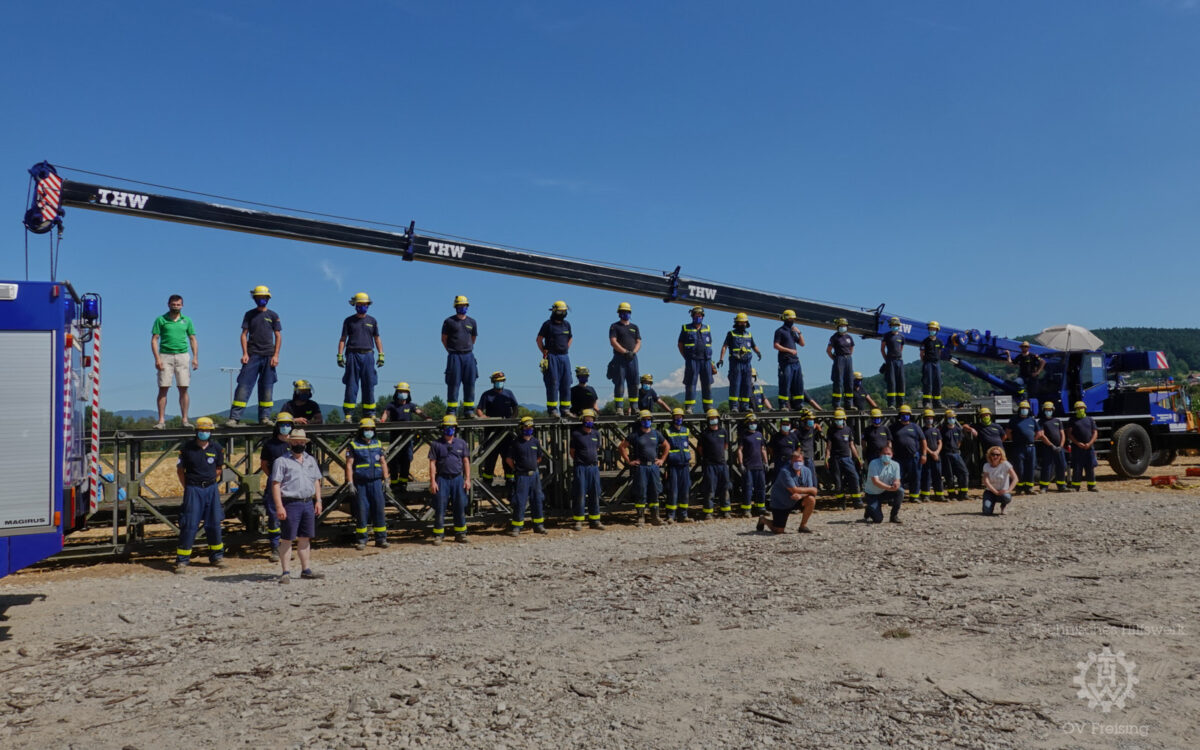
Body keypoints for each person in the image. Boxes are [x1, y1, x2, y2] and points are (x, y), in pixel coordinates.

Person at [270, 428, 325, 582]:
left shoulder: (310, 460)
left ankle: (306, 569)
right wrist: (279, 506)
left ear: (305, 443)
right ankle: (285, 572)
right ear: (290, 443)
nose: (298, 444)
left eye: (301, 442)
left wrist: (318, 500)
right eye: (295, 442)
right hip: (290, 503)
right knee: (287, 538)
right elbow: (275, 484)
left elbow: (316, 480)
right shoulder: (281, 461)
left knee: (305, 538)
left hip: (307, 502)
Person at [174, 417, 227, 573]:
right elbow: (180, 470)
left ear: (211, 432)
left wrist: (209, 482)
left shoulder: (216, 448)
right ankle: (182, 560)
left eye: (208, 430)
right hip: (193, 489)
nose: (205, 433)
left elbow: (219, 469)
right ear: (196, 431)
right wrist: (189, 487)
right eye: (202, 430)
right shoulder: (187, 448)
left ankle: (217, 557)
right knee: (189, 524)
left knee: (214, 523)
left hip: (211, 489)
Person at [226, 285, 282, 427]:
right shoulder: (249, 314)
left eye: (264, 297)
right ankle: (234, 418)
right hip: (252, 356)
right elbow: (244, 335)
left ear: (268, 298)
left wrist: (276, 355)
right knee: (243, 386)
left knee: (267, 387)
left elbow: (278, 335)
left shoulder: (273, 315)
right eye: (258, 297)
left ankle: (265, 417)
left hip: (269, 356)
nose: (261, 300)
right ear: (254, 298)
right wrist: (244, 353)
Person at [151, 294, 198, 429]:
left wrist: (195, 357)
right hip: (165, 355)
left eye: (178, 304)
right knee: (163, 387)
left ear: (182, 305)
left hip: (182, 355)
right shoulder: (161, 320)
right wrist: (157, 358)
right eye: (173, 304)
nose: (176, 307)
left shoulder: (187, 320)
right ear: (168, 304)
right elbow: (154, 339)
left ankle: (184, 420)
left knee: (183, 388)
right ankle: (161, 421)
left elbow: (193, 338)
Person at [337, 292, 384, 420]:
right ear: (355, 305)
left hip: (368, 354)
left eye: (364, 304)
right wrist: (340, 355)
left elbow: (377, 338)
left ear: (368, 305)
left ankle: (370, 414)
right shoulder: (349, 321)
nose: (362, 306)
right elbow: (343, 339)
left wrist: (381, 354)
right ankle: (348, 414)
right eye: (360, 304)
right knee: (351, 385)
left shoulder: (372, 321)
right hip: (352, 354)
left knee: (369, 384)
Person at [618, 410, 668, 526]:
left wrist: (662, 460)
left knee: (655, 491)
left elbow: (666, 446)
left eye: (649, 419)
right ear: (640, 421)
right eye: (644, 419)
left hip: (654, 467)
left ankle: (655, 517)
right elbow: (621, 447)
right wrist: (629, 461)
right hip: (641, 467)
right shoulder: (635, 435)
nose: (647, 421)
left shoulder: (656, 434)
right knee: (641, 492)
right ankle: (641, 517)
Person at [346, 418, 389, 550]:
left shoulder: (377, 444)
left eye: (371, 429)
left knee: (379, 510)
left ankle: (381, 539)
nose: (368, 432)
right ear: (361, 431)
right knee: (362, 511)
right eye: (366, 429)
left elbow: (383, 462)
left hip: (376, 482)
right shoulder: (354, 445)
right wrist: (350, 483)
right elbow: (349, 465)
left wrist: (386, 479)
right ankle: (362, 540)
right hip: (361, 483)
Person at [428, 414, 472, 544]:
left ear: (455, 428)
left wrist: (467, 479)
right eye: (447, 427)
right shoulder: (436, 444)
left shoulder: (461, 443)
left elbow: (466, 461)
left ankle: (460, 533)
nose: (450, 429)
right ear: (443, 428)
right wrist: (432, 481)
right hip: (442, 479)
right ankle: (438, 534)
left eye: (452, 427)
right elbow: (432, 463)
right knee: (440, 507)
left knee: (459, 506)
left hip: (458, 479)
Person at [258, 411, 294, 561]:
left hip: (291, 482)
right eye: (282, 425)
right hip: (275, 482)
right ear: (277, 427)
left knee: (291, 515)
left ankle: (287, 547)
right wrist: (274, 479)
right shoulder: (270, 444)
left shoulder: (295, 443)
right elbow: (264, 464)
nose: (285, 427)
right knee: (274, 516)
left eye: (288, 425)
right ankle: (275, 547)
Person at [474, 371, 520, 485]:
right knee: (490, 458)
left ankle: (510, 480)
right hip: (491, 433)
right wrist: (484, 418)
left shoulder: (508, 393)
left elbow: (515, 407)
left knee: (507, 457)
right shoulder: (487, 394)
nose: (500, 383)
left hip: (506, 432)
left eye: (501, 381)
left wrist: (512, 418)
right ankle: (487, 481)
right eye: (497, 381)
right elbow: (479, 409)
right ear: (493, 382)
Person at [758, 447, 818, 534]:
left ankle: (802, 526)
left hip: (797, 499)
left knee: (811, 499)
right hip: (781, 503)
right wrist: (809, 490)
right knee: (778, 530)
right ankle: (763, 520)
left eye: (800, 461)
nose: (798, 463)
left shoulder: (807, 471)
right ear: (791, 461)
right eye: (795, 461)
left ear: (803, 461)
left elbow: (813, 492)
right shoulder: (785, 472)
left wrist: (801, 495)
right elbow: (794, 490)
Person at [380, 381, 426, 491]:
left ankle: (403, 482)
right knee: (394, 460)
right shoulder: (391, 405)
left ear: (408, 394)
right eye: (401, 392)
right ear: (397, 393)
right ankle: (394, 482)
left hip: (407, 439)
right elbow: (386, 414)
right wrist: (382, 421)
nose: (403, 394)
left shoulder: (411, 405)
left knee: (406, 459)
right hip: (395, 438)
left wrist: (427, 418)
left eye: (405, 392)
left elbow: (419, 412)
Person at [506, 416, 546, 536]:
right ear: (521, 428)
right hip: (522, 476)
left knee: (537, 500)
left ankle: (538, 525)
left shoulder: (535, 442)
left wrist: (532, 466)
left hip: (534, 475)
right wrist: (517, 469)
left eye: (530, 427)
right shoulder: (516, 443)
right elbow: (508, 459)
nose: (528, 429)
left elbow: (539, 457)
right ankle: (517, 527)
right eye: (526, 427)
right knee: (520, 502)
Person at [442, 294, 479, 419]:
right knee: (453, 383)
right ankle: (452, 410)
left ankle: (469, 410)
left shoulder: (472, 322)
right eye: (459, 306)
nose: (462, 307)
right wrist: (452, 350)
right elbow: (444, 339)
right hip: (454, 355)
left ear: (467, 307)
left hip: (468, 355)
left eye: (464, 305)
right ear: (455, 307)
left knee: (470, 383)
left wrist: (466, 349)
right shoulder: (449, 321)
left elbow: (473, 338)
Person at [569, 409, 605, 530]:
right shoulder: (576, 434)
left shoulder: (596, 434)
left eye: (591, 418)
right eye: (587, 418)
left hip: (593, 468)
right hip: (581, 468)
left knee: (595, 493)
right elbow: (572, 452)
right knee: (580, 494)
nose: (589, 420)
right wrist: (581, 461)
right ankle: (578, 520)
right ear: (582, 420)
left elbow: (597, 449)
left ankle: (595, 520)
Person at [718, 313, 761, 412]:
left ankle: (745, 406)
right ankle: (734, 406)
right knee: (735, 385)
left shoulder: (749, 335)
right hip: (736, 364)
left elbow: (754, 346)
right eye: (740, 322)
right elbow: (724, 346)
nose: (742, 324)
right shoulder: (731, 334)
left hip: (747, 364)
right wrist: (721, 359)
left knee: (747, 385)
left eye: (744, 322)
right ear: (736, 323)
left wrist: (758, 352)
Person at [537, 300, 573, 417]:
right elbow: (539, 339)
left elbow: (570, 338)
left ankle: (565, 409)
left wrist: (566, 348)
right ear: (554, 311)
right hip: (552, 357)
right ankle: (552, 410)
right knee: (553, 383)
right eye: (560, 311)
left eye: (564, 311)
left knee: (566, 382)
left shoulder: (567, 324)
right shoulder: (548, 324)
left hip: (564, 357)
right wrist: (544, 351)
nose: (562, 313)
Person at [677, 305, 715, 414]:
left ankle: (708, 407)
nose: (698, 317)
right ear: (692, 316)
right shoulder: (685, 328)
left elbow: (709, 344)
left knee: (707, 383)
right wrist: (686, 357)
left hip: (706, 360)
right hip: (692, 360)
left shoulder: (707, 328)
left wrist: (711, 362)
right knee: (690, 384)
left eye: (700, 315)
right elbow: (680, 344)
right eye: (696, 315)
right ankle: (689, 407)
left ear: (703, 317)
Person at [607, 302, 641, 415]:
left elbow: (639, 342)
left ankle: (635, 407)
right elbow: (613, 341)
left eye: (626, 312)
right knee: (619, 383)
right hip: (620, 358)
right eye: (622, 312)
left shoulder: (634, 327)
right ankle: (619, 408)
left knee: (634, 384)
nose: (624, 314)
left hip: (632, 359)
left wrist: (633, 352)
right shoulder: (615, 326)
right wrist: (625, 352)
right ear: (619, 314)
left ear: (630, 313)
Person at [698, 408, 731, 518]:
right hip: (710, 465)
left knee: (725, 487)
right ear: (708, 420)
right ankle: (708, 511)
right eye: (711, 418)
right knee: (710, 488)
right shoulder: (704, 434)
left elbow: (725, 446)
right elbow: (700, 449)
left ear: (718, 419)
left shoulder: (723, 432)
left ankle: (725, 510)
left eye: (714, 418)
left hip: (722, 464)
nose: (713, 420)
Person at [825, 409, 862, 508]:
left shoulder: (848, 430)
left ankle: (857, 501)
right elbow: (828, 446)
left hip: (847, 458)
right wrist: (826, 458)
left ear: (844, 419)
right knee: (838, 482)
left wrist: (858, 458)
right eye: (837, 419)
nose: (838, 421)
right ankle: (841, 502)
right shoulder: (831, 430)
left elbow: (852, 445)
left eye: (840, 419)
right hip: (835, 459)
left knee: (854, 477)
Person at [663, 408, 694, 523]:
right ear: (673, 418)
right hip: (673, 466)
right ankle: (671, 516)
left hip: (685, 465)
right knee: (673, 491)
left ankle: (683, 515)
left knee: (685, 490)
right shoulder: (667, 432)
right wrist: (665, 467)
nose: (678, 419)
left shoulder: (686, 431)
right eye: (676, 417)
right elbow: (664, 450)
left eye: (680, 417)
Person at [1006, 400, 1042, 495]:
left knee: (1030, 467)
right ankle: (1019, 487)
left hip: (1031, 447)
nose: (1024, 410)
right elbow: (1008, 432)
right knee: (1019, 468)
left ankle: (1029, 488)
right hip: (1018, 447)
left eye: (1026, 408)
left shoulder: (1032, 420)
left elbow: (1039, 432)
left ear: (1028, 410)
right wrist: (1015, 440)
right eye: (1022, 408)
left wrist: (1033, 439)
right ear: (1019, 409)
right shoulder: (1014, 420)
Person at [736, 413, 769, 518]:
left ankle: (761, 508)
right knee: (748, 488)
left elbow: (763, 449)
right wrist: (740, 464)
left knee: (761, 488)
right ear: (747, 423)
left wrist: (766, 462)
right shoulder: (744, 436)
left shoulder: (759, 435)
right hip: (748, 466)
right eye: (751, 422)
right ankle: (747, 510)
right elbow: (739, 450)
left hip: (759, 466)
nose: (753, 424)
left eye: (754, 422)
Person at [890, 405, 925, 502]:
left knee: (915, 477)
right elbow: (889, 441)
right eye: (903, 414)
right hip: (898, 458)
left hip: (913, 457)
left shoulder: (915, 427)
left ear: (910, 415)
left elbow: (923, 440)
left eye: (907, 414)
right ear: (899, 415)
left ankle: (914, 497)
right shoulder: (893, 427)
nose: (905, 416)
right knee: (897, 478)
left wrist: (924, 454)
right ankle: (898, 497)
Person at [773, 310, 807, 410]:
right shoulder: (780, 331)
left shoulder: (792, 332)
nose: (791, 321)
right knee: (785, 383)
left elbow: (802, 344)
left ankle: (799, 404)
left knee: (798, 384)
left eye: (793, 319)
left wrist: (799, 333)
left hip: (795, 362)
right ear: (785, 319)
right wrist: (789, 350)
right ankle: (783, 404)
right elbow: (776, 345)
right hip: (785, 361)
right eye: (790, 319)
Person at [863, 444, 903, 524]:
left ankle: (894, 516)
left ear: (892, 455)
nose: (886, 456)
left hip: (885, 491)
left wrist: (896, 483)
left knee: (900, 491)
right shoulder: (873, 463)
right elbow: (875, 481)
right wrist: (890, 488)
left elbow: (897, 479)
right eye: (884, 454)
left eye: (888, 454)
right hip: (872, 493)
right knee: (878, 520)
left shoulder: (895, 465)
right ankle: (869, 508)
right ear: (880, 454)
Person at [1067, 401, 1099, 492]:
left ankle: (1091, 486)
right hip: (1077, 448)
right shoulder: (1072, 420)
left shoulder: (1090, 419)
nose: (1080, 410)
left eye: (1081, 408)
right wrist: (1077, 443)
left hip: (1089, 448)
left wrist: (1090, 443)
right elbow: (1069, 433)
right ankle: (1076, 486)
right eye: (1078, 408)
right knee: (1077, 467)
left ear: (1085, 409)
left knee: (1090, 467)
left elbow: (1095, 432)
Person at [1037, 401, 1068, 493]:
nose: (1048, 411)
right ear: (1043, 410)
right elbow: (1042, 435)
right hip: (1048, 448)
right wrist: (1051, 445)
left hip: (1059, 448)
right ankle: (1044, 487)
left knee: (1061, 466)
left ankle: (1061, 486)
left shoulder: (1057, 421)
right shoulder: (1041, 421)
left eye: (1050, 410)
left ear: (1053, 410)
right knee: (1047, 466)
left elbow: (1062, 434)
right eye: (1046, 410)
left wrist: (1061, 446)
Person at [940, 409, 970, 500]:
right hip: (946, 454)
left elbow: (959, 442)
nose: (951, 419)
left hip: (956, 453)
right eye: (950, 418)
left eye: (953, 418)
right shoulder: (942, 430)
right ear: (946, 419)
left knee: (964, 472)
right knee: (949, 475)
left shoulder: (958, 429)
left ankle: (963, 493)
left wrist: (956, 449)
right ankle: (951, 494)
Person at [826, 318, 855, 410]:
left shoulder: (849, 337)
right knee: (838, 381)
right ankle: (837, 404)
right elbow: (828, 351)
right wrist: (835, 359)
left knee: (849, 381)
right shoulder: (834, 337)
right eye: (841, 326)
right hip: (839, 358)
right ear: (838, 327)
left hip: (848, 359)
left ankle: (849, 404)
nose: (843, 327)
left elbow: (851, 348)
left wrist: (849, 356)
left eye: (844, 326)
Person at [981, 446, 1018, 516]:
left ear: (1001, 456)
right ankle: (991, 503)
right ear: (989, 455)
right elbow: (985, 481)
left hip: (1002, 491)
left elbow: (1015, 478)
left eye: (998, 455)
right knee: (986, 512)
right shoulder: (986, 465)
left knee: (1007, 497)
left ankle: (1003, 506)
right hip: (990, 492)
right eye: (993, 454)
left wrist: (1009, 490)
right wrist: (995, 492)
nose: (995, 456)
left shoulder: (1006, 464)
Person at [880, 316, 906, 408]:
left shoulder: (901, 337)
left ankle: (901, 402)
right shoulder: (886, 336)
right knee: (891, 382)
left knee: (901, 381)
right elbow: (882, 349)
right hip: (890, 360)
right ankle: (891, 403)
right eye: (893, 325)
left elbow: (901, 348)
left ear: (898, 326)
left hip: (899, 360)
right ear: (890, 326)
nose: (894, 326)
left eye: (896, 325)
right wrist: (886, 359)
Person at [919, 409, 945, 501]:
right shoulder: (921, 430)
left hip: (936, 457)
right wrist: (931, 452)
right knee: (927, 476)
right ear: (924, 419)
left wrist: (937, 452)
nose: (929, 420)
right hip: (927, 456)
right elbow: (922, 444)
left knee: (938, 475)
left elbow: (940, 442)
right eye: (927, 418)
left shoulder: (936, 430)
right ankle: (925, 495)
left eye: (931, 418)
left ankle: (939, 495)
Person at [767, 417, 799, 486]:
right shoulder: (775, 436)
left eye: (787, 425)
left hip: (790, 462)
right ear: (780, 425)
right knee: (778, 479)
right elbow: (769, 448)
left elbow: (798, 447)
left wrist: (796, 457)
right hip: (779, 461)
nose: (785, 426)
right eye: (783, 424)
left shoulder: (793, 436)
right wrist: (774, 456)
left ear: (790, 426)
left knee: (791, 479)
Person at [920, 321, 943, 409]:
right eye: (930, 329)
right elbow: (922, 354)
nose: (932, 330)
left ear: (937, 330)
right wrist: (925, 362)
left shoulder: (939, 342)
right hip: (928, 363)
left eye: (934, 329)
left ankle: (937, 402)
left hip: (936, 363)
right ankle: (927, 403)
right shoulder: (925, 341)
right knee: (927, 383)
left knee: (938, 382)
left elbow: (940, 353)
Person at [794, 411, 820, 475]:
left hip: (809, 458)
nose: (812, 421)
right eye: (810, 420)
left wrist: (817, 425)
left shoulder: (811, 429)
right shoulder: (798, 431)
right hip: (800, 458)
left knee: (812, 476)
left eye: (812, 419)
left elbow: (814, 426)